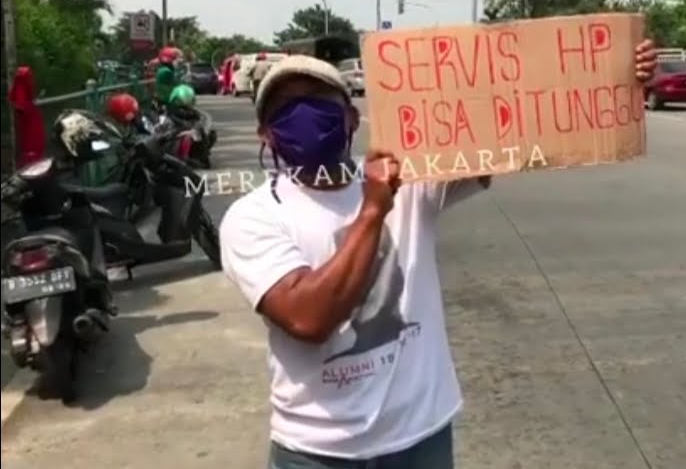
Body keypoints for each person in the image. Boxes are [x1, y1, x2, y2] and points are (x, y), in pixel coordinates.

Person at [220, 41, 658, 469]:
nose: (305, 116)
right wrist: (373, 209)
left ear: (352, 118)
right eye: (285, 110)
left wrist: (614, 73)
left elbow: (521, 129)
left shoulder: (412, 177)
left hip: (419, 436)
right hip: (316, 450)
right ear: (266, 133)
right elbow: (308, 318)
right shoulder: (252, 217)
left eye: (319, 101)